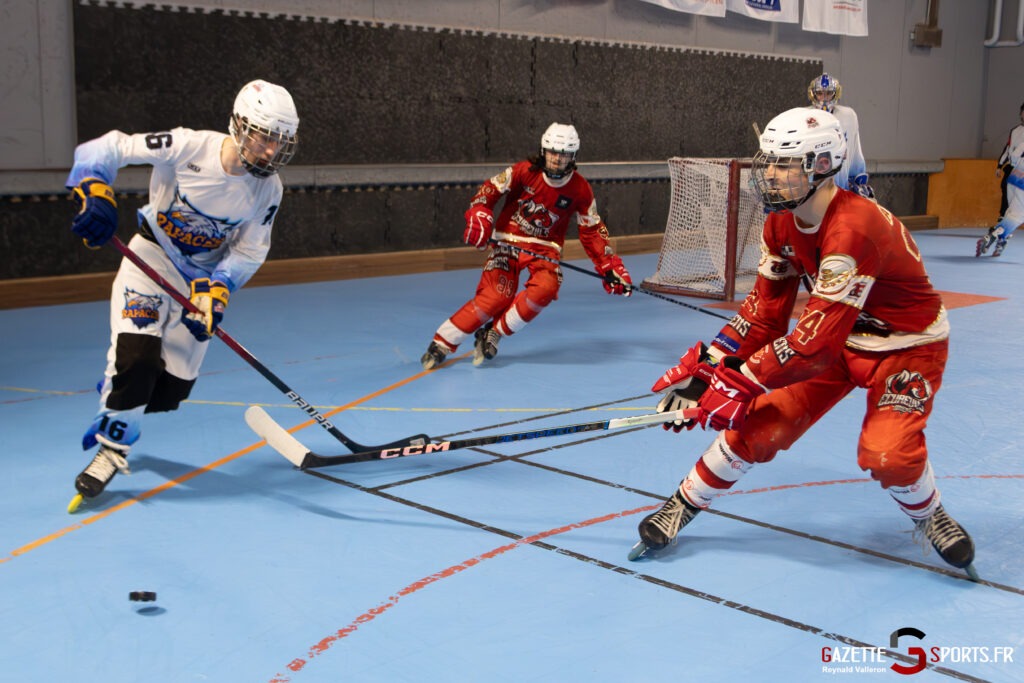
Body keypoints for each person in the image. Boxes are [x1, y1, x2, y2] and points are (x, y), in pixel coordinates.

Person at [631, 107, 977, 579]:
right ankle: (682, 504)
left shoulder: (854, 228)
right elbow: (764, 312)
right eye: (767, 161)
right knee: (758, 429)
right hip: (838, 338)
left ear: (821, 164)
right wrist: (711, 365)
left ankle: (928, 514)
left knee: (887, 455)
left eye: (783, 164)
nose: (769, 174)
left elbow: (813, 343)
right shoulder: (779, 223)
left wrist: (741, 380)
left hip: (906, 347)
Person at [64, 80, 299, 511]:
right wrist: (96, 188)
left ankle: (119, 389)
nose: (270, 152)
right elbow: (108, 147)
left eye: (279, 143)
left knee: (169, 390)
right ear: (240, 126)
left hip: (200, 284)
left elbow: (250, 249)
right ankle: (112, 450)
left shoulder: (270, 190)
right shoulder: (188, 146)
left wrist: (221, 289)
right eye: (265, 138)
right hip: (150, 263)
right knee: (138, 361)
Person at [420, 122, 633, 369]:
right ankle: (443, 342)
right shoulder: (523, 171)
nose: (556, 159)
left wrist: (609, 264)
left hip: (545, 249)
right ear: (543, 151)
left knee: (546, 288)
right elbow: (490, 188)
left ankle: (494, 332)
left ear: (573, 157)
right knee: (495, 296)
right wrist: (479, 210)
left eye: (563, 154)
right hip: (507, 242)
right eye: (552, 152)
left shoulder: (581, 189)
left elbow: (593, 229)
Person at [807, 73, 874, 200]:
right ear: (813, 94)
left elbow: (854, 146)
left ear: (835, 93)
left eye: (828, 93)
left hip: (840, 184)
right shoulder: (805, 117)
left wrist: (857, 175)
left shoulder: (848, 116)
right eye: (820, 93)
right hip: (813, 186)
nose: (824, 98)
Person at [978, 100, 1024, 257]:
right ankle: (995, 236)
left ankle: (1002, 237)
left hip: (1014, 176)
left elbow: (1015, 153)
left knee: (1012, 212)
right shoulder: (1016, 131)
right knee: (1017, 215)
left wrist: (1017, 166)